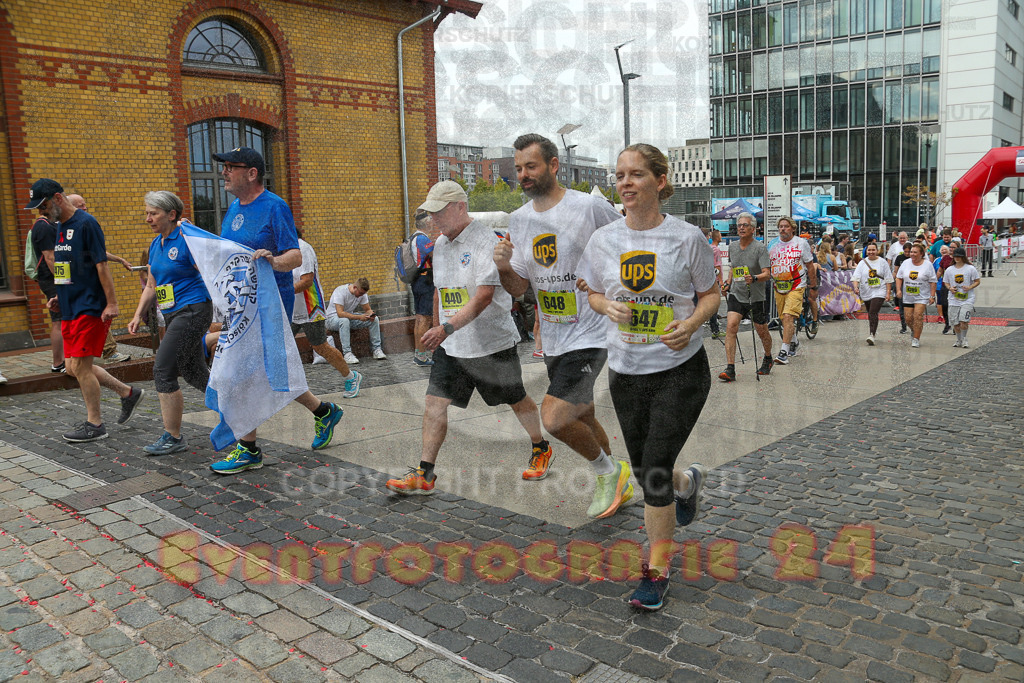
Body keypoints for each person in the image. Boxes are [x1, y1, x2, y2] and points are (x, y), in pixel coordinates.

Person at [578, 144, 714, 611]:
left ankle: (656, 573)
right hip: (626, 371)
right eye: (619, 175)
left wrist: (691, 324)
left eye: (636, 174)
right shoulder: (603, 241)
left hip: (681, 371)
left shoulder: (686, 237)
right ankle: (686, 485)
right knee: (644, 471)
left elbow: (710, 295)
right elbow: (594, 293)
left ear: (659, 179)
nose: (625, 183)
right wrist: (605, 305)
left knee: (652, 468)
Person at [493, 133, 630, 514]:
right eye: (519, 168)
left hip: (592, 331)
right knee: (582, 414)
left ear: (553, 165)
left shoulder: (588, 207)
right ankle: (620, 479)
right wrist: (504, 266)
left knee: (554, 417)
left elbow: (626, 242)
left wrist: (609, 283)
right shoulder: (518, 221)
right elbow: (520, 287)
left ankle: (606, 473)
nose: (524, 174)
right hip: (554, 336)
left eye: (531, 166)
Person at [386, 180, 548, 496]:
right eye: (430, 214)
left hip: (490, 343)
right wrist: (438, 332)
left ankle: (540, 446)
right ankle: (425, 472)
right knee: (434, 402)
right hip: (452, 345)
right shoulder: (442, 244)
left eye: (439, 212)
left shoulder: (487, 242)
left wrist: (445, 328)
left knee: (515, 398)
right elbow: (439, 292)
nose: (434, 220)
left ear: (460, 207)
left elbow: (484, 297)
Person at [207, 147, 343, 473]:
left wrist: (273, 261)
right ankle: (323, 411)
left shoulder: (274, 207)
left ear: (251, 173)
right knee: (265, 374)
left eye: (230, 167)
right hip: (241, 305)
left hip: (268, 306)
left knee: (241, 373)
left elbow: (294, 256)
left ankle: (248, 448)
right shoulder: (233, 210)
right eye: (223, 167)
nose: (224, 172)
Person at [26, 179, 144, 442]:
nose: (40, 211)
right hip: (69, 304)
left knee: (79, 365)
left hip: (89, 306)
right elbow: (62, 266)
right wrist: (59, 294)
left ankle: (95, 424)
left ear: (57, 198)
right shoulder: (58, 227)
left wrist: (112, 303)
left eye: (42, 205)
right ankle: (128, 393)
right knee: (72, 367)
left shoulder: (86, 223)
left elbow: (101, 265)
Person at [127, 191, 212, 455]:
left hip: (193, 309)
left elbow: (211, 269)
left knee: (163, 369)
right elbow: (152, 284)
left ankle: (173, 437)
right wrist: (137, 314)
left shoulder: (187, 239)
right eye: (147, 213)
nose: (148, 218)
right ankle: (237, 412)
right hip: (174, 313)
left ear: (171, 215)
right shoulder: (156, 244)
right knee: (193, 370)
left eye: (153, 213)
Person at [292, 227, 362, 397]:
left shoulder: (303, 248)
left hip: (311, 307)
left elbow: (307, 281)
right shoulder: (281, 252)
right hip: (290, 307)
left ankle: (351, 377)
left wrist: (281, 291)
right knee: (279, 346)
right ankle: (284, 388)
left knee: (321, 347)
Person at [66, 194, 133, 364]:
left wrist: (119, 259)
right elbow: (54, 259)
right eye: (81, 206)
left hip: (80, 285)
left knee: (98, 316)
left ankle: (106, 351)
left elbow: (98, 254)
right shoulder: (64, 227)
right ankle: (106, 353)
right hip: (78, 287)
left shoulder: (83, 224)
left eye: (85, 205)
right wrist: (61, 287)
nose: (85, 209)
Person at [719, 212, 773, 381]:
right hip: (737, 293)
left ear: (753, 229)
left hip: (755, 296)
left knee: (762, 331)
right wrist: (728, 283)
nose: (741, 228)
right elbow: (734, 268)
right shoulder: (733, 247)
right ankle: (730, 368)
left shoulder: (760, 248)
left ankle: (768, 357)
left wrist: (755, 278)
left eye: (745, 225)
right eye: (739, 225)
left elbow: (767, 274)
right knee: (731, 326)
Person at [769, 216, 816, 364]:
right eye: (781, 226)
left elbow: (810, 266)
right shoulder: (772, 244)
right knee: (784, 318)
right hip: (779, 286)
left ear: (793, 228)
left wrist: (813, 287)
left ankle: (784, 351)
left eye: (786, 226)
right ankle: (794, 342)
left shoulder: (801, 243)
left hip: (797, 285)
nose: (783, 229)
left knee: (789, 316)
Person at [28, 209, 65, 372]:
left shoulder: (51, 225)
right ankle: (58, 362)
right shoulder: (43, 227)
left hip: (53, 278)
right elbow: (51, 258)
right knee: (59, 319)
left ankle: (64, 360)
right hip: (51, 279)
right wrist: (63, 282)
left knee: (61, 319)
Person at [326, 278, 387, 365]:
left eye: (363, 294)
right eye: (360, 293)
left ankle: (376, 350)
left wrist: (371, 314)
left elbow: (367, 309)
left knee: (375, 320)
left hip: (348, 319)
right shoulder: (340, 291)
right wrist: (359, 317)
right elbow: (340, 313)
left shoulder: (362, 294)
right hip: (331, 320)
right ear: (355, 287)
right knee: (344, 321)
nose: (361, 295)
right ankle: (347, 354)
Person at [895, 243, 937, 348]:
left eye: (915, 252)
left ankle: (916, 339)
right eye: (911, 252)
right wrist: (899, 290)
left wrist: (932, 296)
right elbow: (899, 277)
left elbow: (933, 281)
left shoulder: (927, 265)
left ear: (921, 254)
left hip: (922, 295)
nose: (912, 254)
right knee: (908, 318)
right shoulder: (905, 263)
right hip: (908, 295)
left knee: (918, 316)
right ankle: (914, 330)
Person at [852, 242, 893, 345]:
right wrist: (856, 287)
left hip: (879, 290)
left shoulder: (882, 262)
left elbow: (888, 278)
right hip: (866, 290)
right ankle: (873, 329)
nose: (871, 252)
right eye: (869, 250)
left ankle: (872, 335)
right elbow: (855, 277)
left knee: (873, 312)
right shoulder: (862, 263)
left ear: (877, 250)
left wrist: (888, 293)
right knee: (871, 313)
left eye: (873, 250)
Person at [410, 212, 437, 366]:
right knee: (425, 318)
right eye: (431, 221)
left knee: (419, 318)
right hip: (425, 280)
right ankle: (421, 356)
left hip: (416, 280)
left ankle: (418, 354)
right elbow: (435, 256)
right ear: (427, 224)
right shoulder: (422, 239)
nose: (432, 223)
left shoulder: (413, 237)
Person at [945, 247, 981, 348]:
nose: (957, 258)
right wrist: (950, 288)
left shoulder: (970, 268)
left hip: (967, 298)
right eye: (955, 256)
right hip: (953, 299)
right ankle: (959, 339)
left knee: (963, 321)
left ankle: (964, 339)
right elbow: (946, 281)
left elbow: (977, 281)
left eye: (959, 256)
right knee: (955, 323)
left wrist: (970, 287)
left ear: (963, 257)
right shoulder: (949, 269)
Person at [892, 241, 913, 333]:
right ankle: (903, 326)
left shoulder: (914, 259)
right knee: (901, 306)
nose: (907, 254)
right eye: (906, 252)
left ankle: (912, 325)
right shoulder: (900, 258)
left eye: (909, 252)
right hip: (901, 283)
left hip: (911, 284)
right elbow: (896, 270)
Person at [934, 244, 953, 334]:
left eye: (953, 247)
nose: (952, 249)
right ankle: (947, 323)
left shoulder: (960, 258)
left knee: (954, 306)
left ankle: (955, 324)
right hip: (945, 284)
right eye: (951, 247)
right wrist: (934, 281)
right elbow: (940, 271)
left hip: (957, 285)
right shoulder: (944, 259)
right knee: (944, 304)